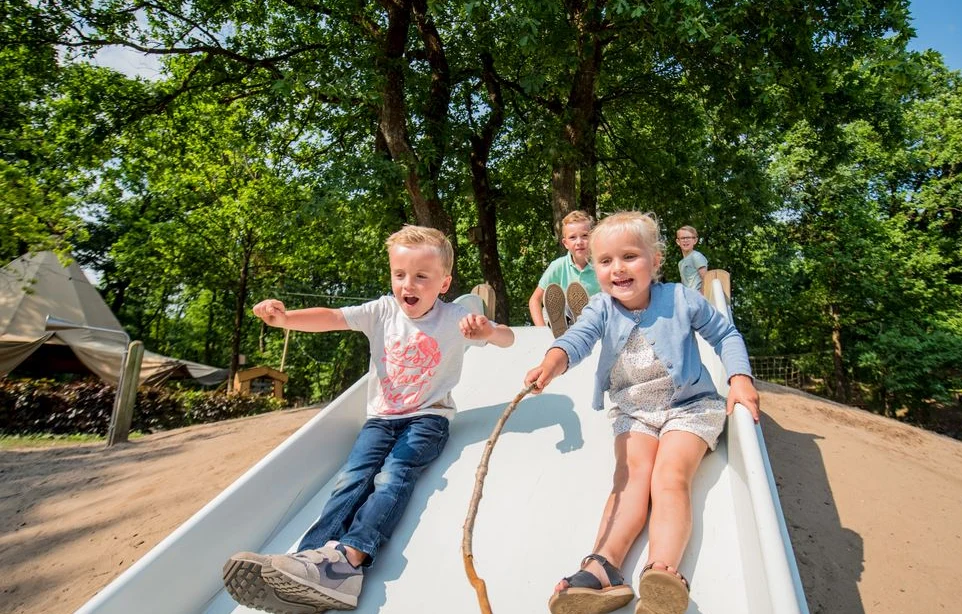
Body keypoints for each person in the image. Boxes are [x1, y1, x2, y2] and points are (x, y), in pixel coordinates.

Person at [222, 226, 515, 614]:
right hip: (380, 419)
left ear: (443, 283)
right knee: (352, 478)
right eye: (399, 275)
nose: (407, 284)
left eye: (421, 277)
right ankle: (311, 561)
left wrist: (489, 330)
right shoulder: (381, 311)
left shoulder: (455, 318)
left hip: (427, 418)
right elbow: (331, 316)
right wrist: (286, 319)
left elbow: (509, 339)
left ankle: (349, 561)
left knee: (392, 476)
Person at [524, 212, 759, 614]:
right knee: (630, 478)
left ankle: (663, 572)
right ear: (595, 269)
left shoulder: (681, 299)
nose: (618, 269)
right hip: (634, 411)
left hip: (689, 407)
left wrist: (739, 377)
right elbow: (577, 338)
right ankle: (603, 567)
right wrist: (554, 359)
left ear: (655, 260)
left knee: (668, 476)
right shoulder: (600, 307)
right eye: (605, 261)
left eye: (630, 256)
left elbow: (725, 335)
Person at [529, 210, 602, 337]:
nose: (579, 242)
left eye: (585, 236)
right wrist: (540, 331)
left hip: (595, 319)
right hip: (565, 319)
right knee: (552, 306)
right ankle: (563, 325)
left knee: (602, 302)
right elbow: (535, 300)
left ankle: (581, 322)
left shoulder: (602, 265)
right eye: (573, 237)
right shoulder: (558, 266)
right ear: (565, 243)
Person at [675, 225, 708, 292]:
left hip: (697, 298)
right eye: (683, 238)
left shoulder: (696, 256)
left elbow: (706, 279)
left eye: (688, 238)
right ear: (678, 241)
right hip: (687, 298)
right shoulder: (680, 263)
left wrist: (700, 298)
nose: (685, 240)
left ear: (695, 240)